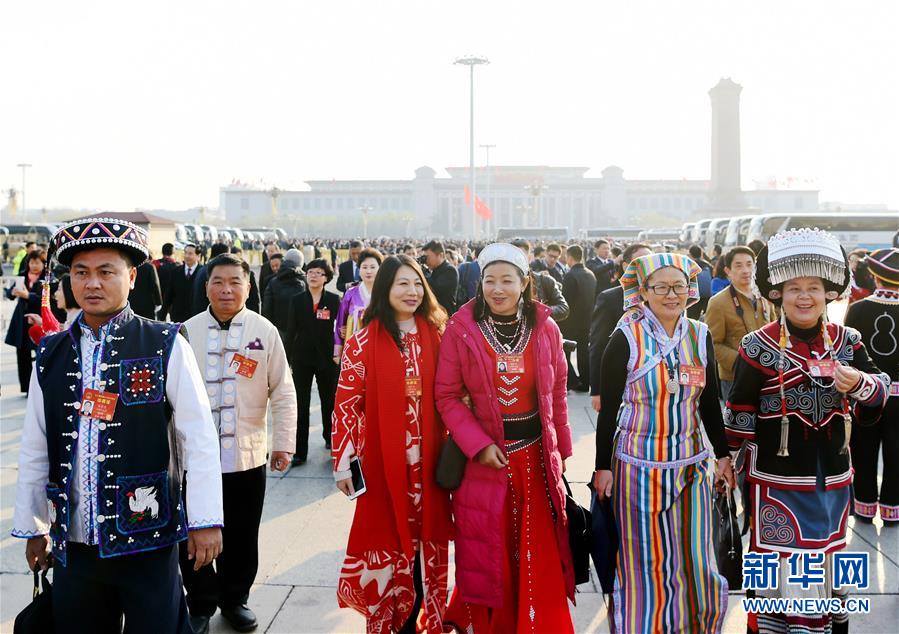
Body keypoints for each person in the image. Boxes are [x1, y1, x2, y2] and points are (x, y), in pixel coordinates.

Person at [11, 217, 224, 633]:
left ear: (131, 277)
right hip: (75, 543)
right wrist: (34, 527)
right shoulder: (51, 353)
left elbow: (198, 438)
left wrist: (205, 520)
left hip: (149, 538)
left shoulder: (165, 343)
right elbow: (35, 445)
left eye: (106, 271)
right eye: (81, 272)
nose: (92, 283)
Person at [725, 228, 889, 634]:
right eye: (794, 288)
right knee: (778, 562)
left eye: (813, 288)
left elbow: (881, 389)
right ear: (777, 294)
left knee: (829, 558)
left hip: (833, 478)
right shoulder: (757, 346)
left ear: (829, 293)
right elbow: (740, 411)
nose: (804, 297)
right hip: (776, 483)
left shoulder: (848, 342)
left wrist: (860, 384)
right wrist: (727, 460)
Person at [435, 242, 575, 633]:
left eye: (507, 280)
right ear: (480, 284)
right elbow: (446, 396)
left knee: (537, 547)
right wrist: (478, 445)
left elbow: (557, 391)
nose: (498, 289)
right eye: (490, 280)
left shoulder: (546, 328)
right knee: (487, 548)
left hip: (535, 459)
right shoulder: (461, 330)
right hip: (485, 459)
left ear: (524, 282)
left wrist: (562, 450)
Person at [593, 252, 734, 633]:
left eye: (679, 287)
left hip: (691, 465)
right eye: (661, 288)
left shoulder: (699, 334)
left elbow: (709, 402)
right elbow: (608, 410)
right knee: (646, 558)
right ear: (643, 291)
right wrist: (602, 467)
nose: (672, 295)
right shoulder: (626, 337)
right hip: (637, 467)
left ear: (690, 289)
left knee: (695, 555)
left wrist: (723, 455)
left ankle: (692, 624)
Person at [331, 254, 453, 633]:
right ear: (385, 288)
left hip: (430, 463)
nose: (412, 291)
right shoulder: (363, 340)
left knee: (425, 546)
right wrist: (343, 463)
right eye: (403, 283)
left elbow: (457, 394)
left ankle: (422, 616)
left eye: (417, 284)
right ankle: (393, 620)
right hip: (383, 464)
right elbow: (346, 403)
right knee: (388, 543)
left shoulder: (439, 334)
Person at [181, 253, 297, 634]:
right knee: (193, 533)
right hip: (194, 461)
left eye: (235, 282)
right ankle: (199, 602)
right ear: (206, 287)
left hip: (246, 455)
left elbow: (283, 390)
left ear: (249, 287)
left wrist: (283, 443)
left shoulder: (265, 331)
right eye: (218, 281)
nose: (226, 289)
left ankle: (235, 600)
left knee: (243, 535)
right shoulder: (186, 332)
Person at [844, 247, 899, 526]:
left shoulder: (857, 309)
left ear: (875, 277)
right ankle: (892, 509)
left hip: (866, 393)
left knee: (863, 449)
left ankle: (864, 507)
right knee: (896, 453)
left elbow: (846, 355)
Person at [285, 258, 340, 465]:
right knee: (301, 404)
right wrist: (287, 360)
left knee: (329, 402)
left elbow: (340, 329)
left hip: (327, 359)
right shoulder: (297, 300)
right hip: (302, 358)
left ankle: (330, 439)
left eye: (318, 273)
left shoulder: (334, 300)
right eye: (310, 272)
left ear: (326, 278)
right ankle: (300, 451)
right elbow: (291, 331)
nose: (313, 276)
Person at [588, 243, 653, 412]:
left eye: (651, 261)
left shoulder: (660, 298)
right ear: (626, 266)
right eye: (641, 262)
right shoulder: (609, 298)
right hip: (619, 381)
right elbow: (598, 345)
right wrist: (596, 390)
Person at [705, 246, 776, 400]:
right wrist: (743, 362)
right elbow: (712, 344)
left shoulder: (764, 296)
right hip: (735, 378)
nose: (746, 270)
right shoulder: (718, 302)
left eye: (749, 264)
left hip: (768, 374)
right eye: (739, 265)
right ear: (728, 271)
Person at [4, 250, 57, 394]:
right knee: (22, 355)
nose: (34, 265)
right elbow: (10, 293)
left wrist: (28, 295)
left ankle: (42, 387)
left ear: (43, 264)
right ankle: (27, 388)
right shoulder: (22, 276)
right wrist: (12, 292)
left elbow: (49, 299)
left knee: (42, 353)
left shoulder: (48, 279)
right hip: (21, 320)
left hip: (39, 320)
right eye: (31, 262)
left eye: (37, 262)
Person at [334, 248, 382, 360]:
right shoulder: (350, 293)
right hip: (354, 345)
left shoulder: (386, 293)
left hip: (379, 344)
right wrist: (338, 351)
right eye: (364, 267)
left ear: (380, 269)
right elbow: (340, 322)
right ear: (359, 270)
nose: (368, 271)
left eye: (373, 267)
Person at [561, 244, 596, 392]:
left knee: (565, 352)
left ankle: (571, 381)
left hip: (571, 321)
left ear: (569, 257)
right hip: (587, 319)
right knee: (583, 352)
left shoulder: (570, 275)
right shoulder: (590, 274)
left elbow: (565, 301)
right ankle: (585, 382)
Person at [511, 239, 570, 322]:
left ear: (529, 257)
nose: (516, 261)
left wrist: (539, 312)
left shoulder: (544, 281)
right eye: (512, 257)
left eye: (520, 257)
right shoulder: (499, 283)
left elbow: (563, 308)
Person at [262, 248, 307, 343]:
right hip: (300, 331)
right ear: (301, 264)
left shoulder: (273, 282)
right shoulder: (306, 281)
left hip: (278, 330)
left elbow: (266, 309)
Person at [160, 242, 204, 322]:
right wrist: (162, 316)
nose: (187, 256)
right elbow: (169, 295)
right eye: (185, 253)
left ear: (198, 256)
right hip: (178, 317)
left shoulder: (203, 273)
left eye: (190, 253)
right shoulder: (176, 271)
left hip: (196, 318)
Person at [422, 239, 460, 315]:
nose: (426, 260)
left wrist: (423, 272)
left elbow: (434, 288)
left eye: (427, 257)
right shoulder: (435, 270)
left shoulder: (450, 270)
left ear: (441, 255)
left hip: (445, 316)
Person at [687, 244, 713, 319]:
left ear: (690, 254)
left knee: (692, 319)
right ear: (701, 253)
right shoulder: (708, 265)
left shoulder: (690, 265)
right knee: (707, 318)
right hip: (707, 296)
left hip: (694, 296)